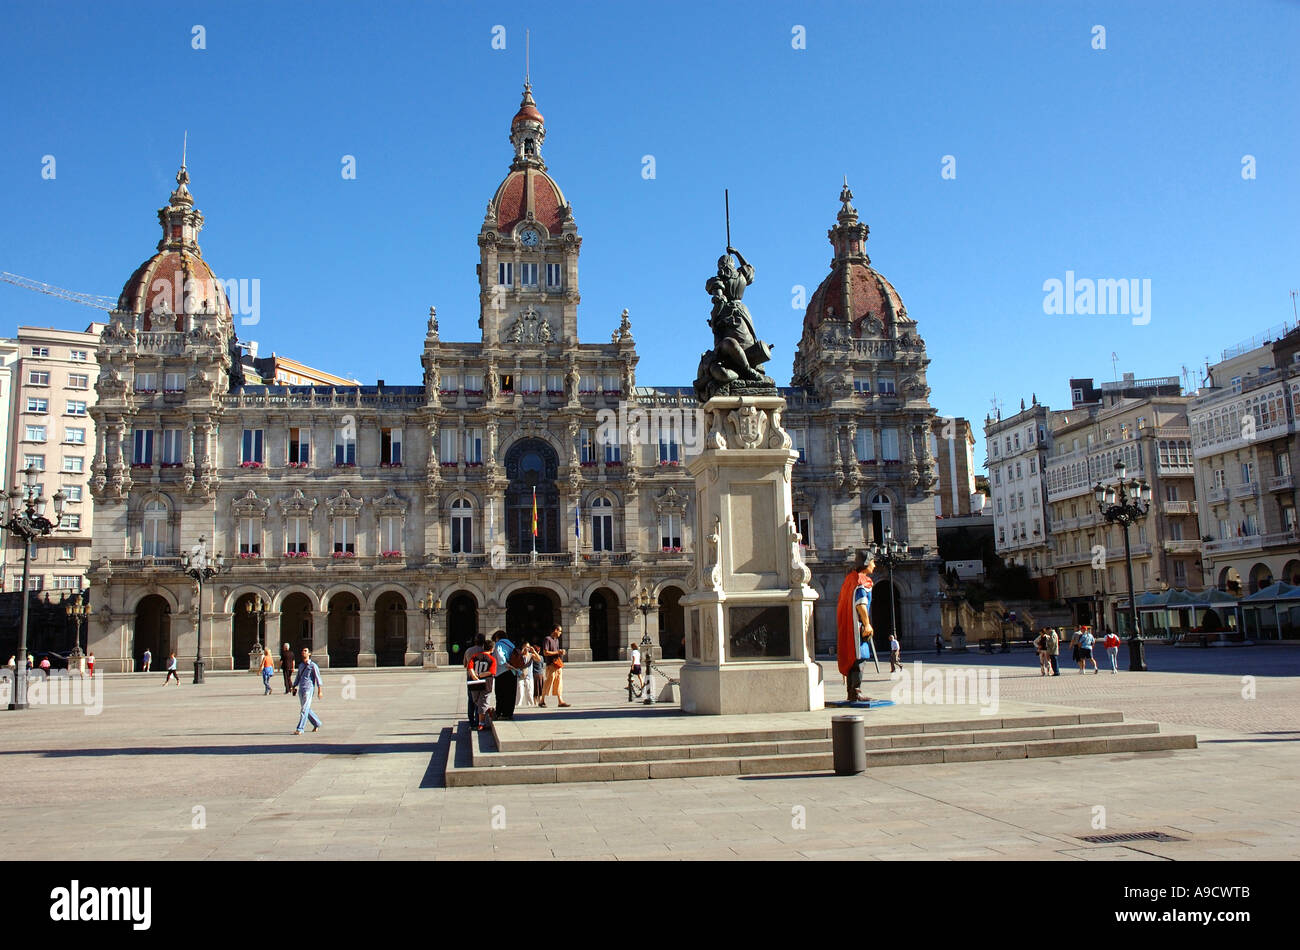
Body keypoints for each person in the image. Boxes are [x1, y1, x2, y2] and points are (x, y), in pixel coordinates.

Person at [836, 551, 875, 703]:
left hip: (849, 625)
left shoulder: (850, 579)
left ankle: (851, 692)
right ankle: (856, 692)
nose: (874, 565)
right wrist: (867, 624)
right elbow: (861, 604)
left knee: (853, 659)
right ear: (866, 563)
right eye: (873, 562)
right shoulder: (861, 581)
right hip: (857, 627)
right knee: (860, 658)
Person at [465, 634, 496, 730]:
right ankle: (481, 722)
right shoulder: (492, 659)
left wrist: (475, 676)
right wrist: (481, 675)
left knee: (474, 701)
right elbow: (491, 672)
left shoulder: (473, 655)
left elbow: (468, 666)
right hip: (486, 683)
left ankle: (473, 722)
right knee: (484, 701)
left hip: (473, 681)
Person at [291, 647, 323, 735]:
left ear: (309, 654)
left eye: (305, 651)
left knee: (304, 709)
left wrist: (320, 691)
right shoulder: (301, 665)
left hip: (309, 689)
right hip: (301, 689)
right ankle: (317, 723)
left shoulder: (313, 666)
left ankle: (300, 728)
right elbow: (298, 677)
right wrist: (294, 686)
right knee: (306, 709)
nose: (303, 652)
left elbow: (318, 679)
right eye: (303, 651)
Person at [539, 623, 571, 707]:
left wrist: (561, 652)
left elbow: (556, 651)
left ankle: (560, 701)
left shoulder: (556, 640)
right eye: (560, 631)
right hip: (551, 664)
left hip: (557, 664)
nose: (560, 633)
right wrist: (557, 652)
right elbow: (545, 652)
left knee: (559, 681)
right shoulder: (547, 639)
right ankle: (542, 700)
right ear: (555, 630)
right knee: (549, 680)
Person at [490, 630, 517, 721]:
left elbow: (501, 658)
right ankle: (509, 713)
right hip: (513, 672)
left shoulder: (499, 644)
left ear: (497, 637)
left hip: (502, 672)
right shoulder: (511, 644)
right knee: (511, 694)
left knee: (501, 694)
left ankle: (501, 713)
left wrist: (506, 664)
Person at [515, 642, 537, 708]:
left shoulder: (531, 655)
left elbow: (539, 659)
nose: (526, 649)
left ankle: (530, 705)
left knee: (529, 692)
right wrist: (521, 653)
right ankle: (518, 705)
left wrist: (534, 651)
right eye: (525, 647)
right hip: (520, 676)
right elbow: (516, 662)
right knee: (520, 692)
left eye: (528, 647)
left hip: (529, 676)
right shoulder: (519, 655)